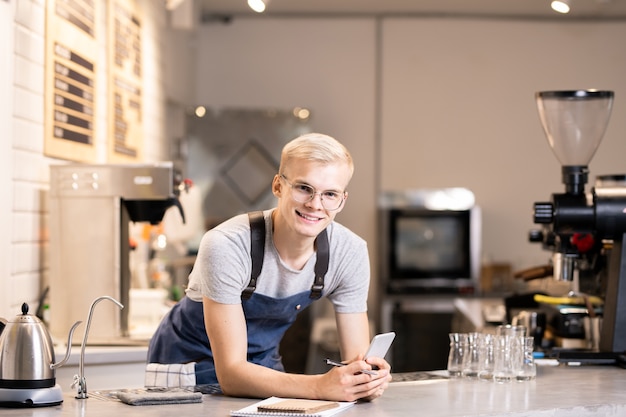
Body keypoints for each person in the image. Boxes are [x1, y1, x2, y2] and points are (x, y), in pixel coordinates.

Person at [147, 133, 391, 401]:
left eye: (329, 194)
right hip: (188, 371)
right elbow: (230, 374)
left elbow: (356, 361)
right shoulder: (227, 244)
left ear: (342, 200)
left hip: (262, 370)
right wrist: (321, 386)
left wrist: (365, 381)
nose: (314, 204)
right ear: (278, 186)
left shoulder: (349, 252)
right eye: (303, 188)